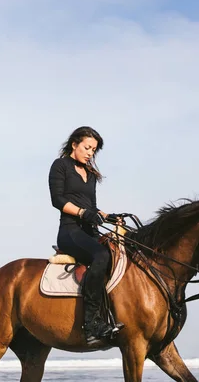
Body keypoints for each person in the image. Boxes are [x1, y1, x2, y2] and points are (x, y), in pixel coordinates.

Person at [48, 126, 119, 343]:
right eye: (87, 147)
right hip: (70, 231)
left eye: (94, 150)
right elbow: (57, 200)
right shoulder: (60, 166)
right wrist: (82, 213)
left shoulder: (90, 174)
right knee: (101, 255)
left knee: (120, 253)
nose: (90, 153)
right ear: (74, 144)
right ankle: (91, 324)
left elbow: (92, 207)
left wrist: (109, 217)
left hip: (90, 232)